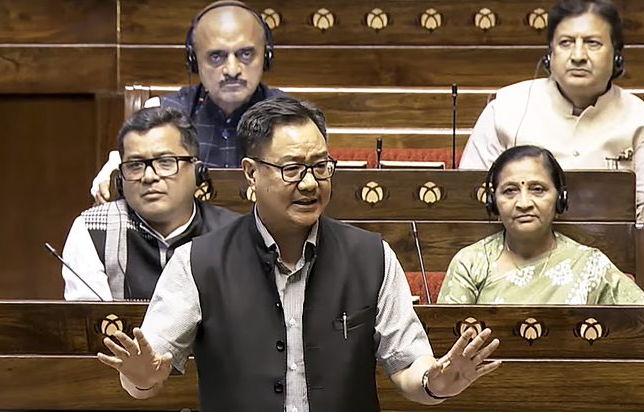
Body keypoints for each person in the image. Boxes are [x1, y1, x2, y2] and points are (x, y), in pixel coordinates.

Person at [97, 96, 501, 410]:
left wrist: (436, 382)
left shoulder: (371, 257)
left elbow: (410, 365)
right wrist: (140, 378)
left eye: (320, 166)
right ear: (251, 173)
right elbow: (146, 373)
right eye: (292, 169)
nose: (309, 184)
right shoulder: (198, 263)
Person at [459, 0, 644, 235]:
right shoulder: (505, 109)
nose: (578, 56)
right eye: (566, 43)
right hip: (515, 250)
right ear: (550, 55)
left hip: (607, 252)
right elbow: (466, 201)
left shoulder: (638, 119)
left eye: (592, 43)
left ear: (616, 55)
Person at [91, 1, 284, 203]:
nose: (232, 70)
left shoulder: (295, 118)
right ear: (194, 60)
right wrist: (109, 183)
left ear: (266, 55)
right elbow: (113, 176)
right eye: (216, 56)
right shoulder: (161, 114)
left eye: (245, 54)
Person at [439, 145, 644, 305]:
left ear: (560, 199)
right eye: (510, 191)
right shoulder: (471, 263)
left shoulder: (590, 264)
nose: (524, 203)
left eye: (538, 189)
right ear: (493, 202)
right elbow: (448, 344)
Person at [62, 107, 238, 301]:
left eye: (165, 162)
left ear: (197, 172)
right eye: (135, 165)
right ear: (121, 179)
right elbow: (90, 317)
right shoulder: (92, 230)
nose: (148, 176)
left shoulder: (235, 235)